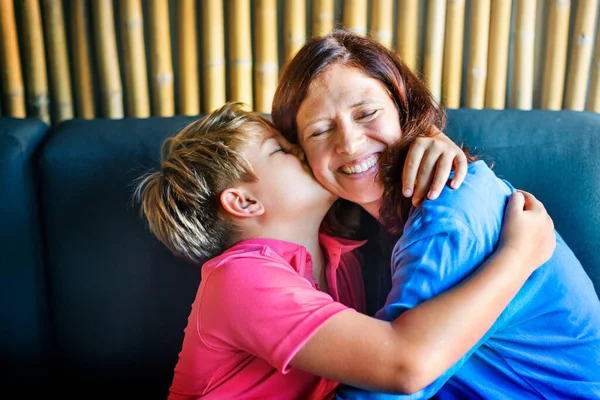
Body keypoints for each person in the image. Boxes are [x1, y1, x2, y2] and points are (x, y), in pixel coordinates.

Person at [134, 102, 555, 400]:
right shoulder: (239, 280)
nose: (303, 150)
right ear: (244, 203)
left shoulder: (341, 249)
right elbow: (403, 366)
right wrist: (519, 257)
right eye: (281, 150)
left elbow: (380, 169)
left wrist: (432, 143)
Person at [271, 30, 600, 399]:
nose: (349, 142)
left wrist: (518, 257)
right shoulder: (361, 226)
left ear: (403, 109)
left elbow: (389, 386)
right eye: (320, 131)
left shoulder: (447, 213)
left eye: (367, 113)